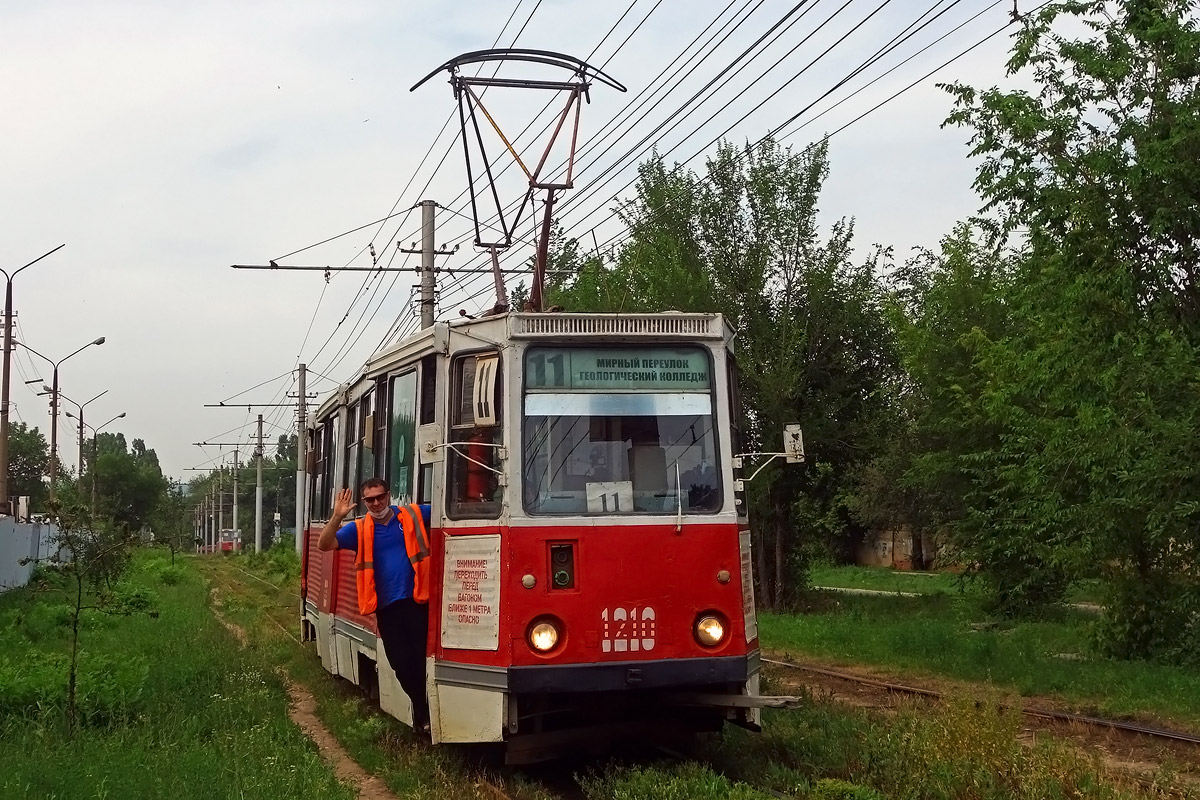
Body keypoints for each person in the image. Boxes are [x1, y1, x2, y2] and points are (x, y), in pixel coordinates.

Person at [318, 478, 432, 733]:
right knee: (400, 663)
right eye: (370, 499)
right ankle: (420, 708)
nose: (376, 503)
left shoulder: (413, 515)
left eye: (380, 497)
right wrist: (337, 516)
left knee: (420, 660)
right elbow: (324, 544)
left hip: (417, 602)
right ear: (365, 502)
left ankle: (424, 717)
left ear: (388, 495)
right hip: (387, 608)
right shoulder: (358, 529)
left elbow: (450, 512)